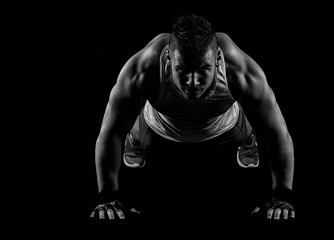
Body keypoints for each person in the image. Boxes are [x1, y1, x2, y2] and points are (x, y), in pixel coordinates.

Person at [90, 14, 295, 229]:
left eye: (203, 70)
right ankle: (136, 139)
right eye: (183, 70)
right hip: (159, 125)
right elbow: (111, 131)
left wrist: (282, 193)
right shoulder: (142, 68)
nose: (193, 82)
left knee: (257, 120)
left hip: (225, 126)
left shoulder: (241, 70)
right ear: (168, 58)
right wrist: (107, 195)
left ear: (217, 58)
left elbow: (276, 132)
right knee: (130, 125)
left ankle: (247, 138)